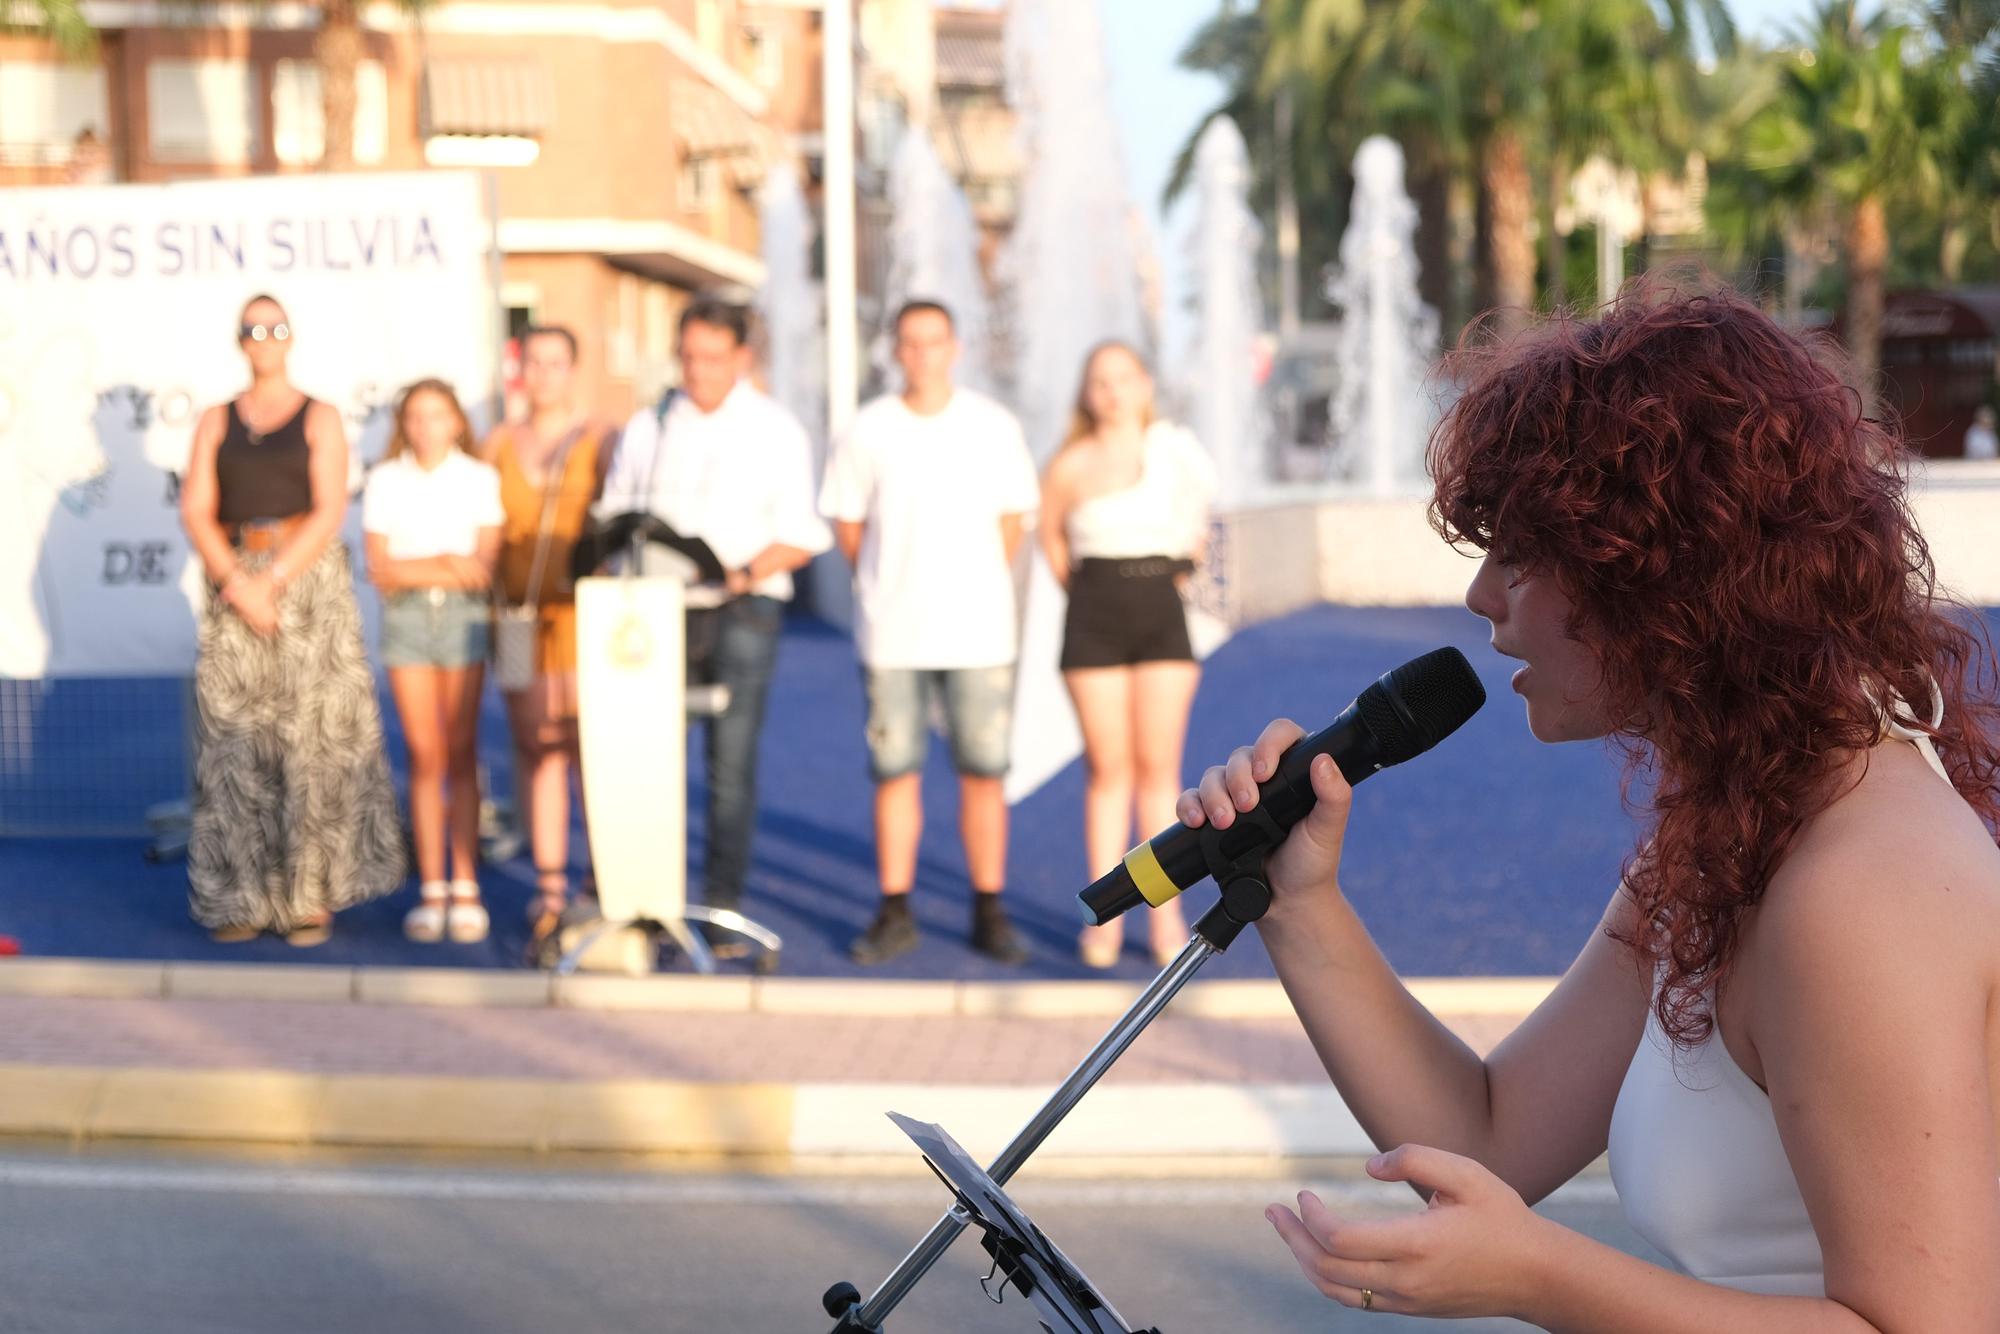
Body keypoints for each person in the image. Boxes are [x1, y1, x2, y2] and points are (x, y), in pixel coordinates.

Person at [1179, 286, 1999, 1325]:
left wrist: (1537, 1274)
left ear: (1663, 575)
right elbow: (1485, 1135)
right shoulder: (1734, 824)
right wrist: (1298, 905)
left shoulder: (1857, 889)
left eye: (1519, 556)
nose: (1480, 597)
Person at [599, 298, 829, 949]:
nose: (698, 371)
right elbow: (617, 513)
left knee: (730, 766)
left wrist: (736, 574)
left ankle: (721, 908)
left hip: (741, 609)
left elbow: (801, 534)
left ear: (742, 358)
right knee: (647, 759)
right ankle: (647, 901)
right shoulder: (651, 423)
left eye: (713, 359)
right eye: (689, 357)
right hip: (655, 616)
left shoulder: (774, 429)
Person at [820, 300, 1041, 966]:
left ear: (956, 347)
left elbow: (1013, 521)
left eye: (933, 341)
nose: (921, 354)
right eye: (909, 343)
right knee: (894, 774)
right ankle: (894, 910)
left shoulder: (992, 427)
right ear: (896, 351)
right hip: (893, 635)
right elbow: (848, 524)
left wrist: (967, 586)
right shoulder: (868, 430)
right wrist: (891, 586)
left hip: (979, 634)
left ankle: (988, 909)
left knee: (983, 774)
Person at [179, 294, 404, 945]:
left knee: (309, 745)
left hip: (307, 588)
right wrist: (236, 582)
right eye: (254, 328)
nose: (265, 337)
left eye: (276, 326)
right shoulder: (216, 419)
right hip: (233, 584)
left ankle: (308, 898)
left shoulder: (320, 415)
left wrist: (273, 580)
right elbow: (197, 507)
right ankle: (238, 898)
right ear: (240, 340)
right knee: (234, 745)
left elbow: (329, 507)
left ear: (291, 337)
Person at [1041, 342, 1214, 969]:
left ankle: (1166, 918)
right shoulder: (1068, 464)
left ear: (1144, 384)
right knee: (1106, 769)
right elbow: (1052, 542)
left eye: (1123, 378)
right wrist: (1092, 596)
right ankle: (1104, 917)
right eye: (1099, 381)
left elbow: (1200, 524)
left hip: (1160, 620)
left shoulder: (1174, 453)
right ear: (1086, 394)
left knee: (1158, 772)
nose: (1112, 391)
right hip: (1093, 622)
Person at [480, 326, 617, 948]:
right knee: (536, 748)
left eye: (556, 362)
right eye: (534, 362)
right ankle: (550, 885)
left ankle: (602, 880)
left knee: (590, 747)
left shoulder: (601, 439)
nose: (544, 374)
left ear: (574, 370)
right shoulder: (497, 443)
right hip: (512, 618)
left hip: (584, 615)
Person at [362, 379, 502, 944]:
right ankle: (432, 886)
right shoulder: (386, 479)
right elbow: (383, 571)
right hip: (409, 623)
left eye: (437, 415)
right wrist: (448, 558)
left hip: (465, 619)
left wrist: (425, 563)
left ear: (457, 422)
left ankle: (466, 883)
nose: (426, 427)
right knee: (425, 754)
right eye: (415, 417)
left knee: (462, 749)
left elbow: (483, 567)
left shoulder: (479, 478)